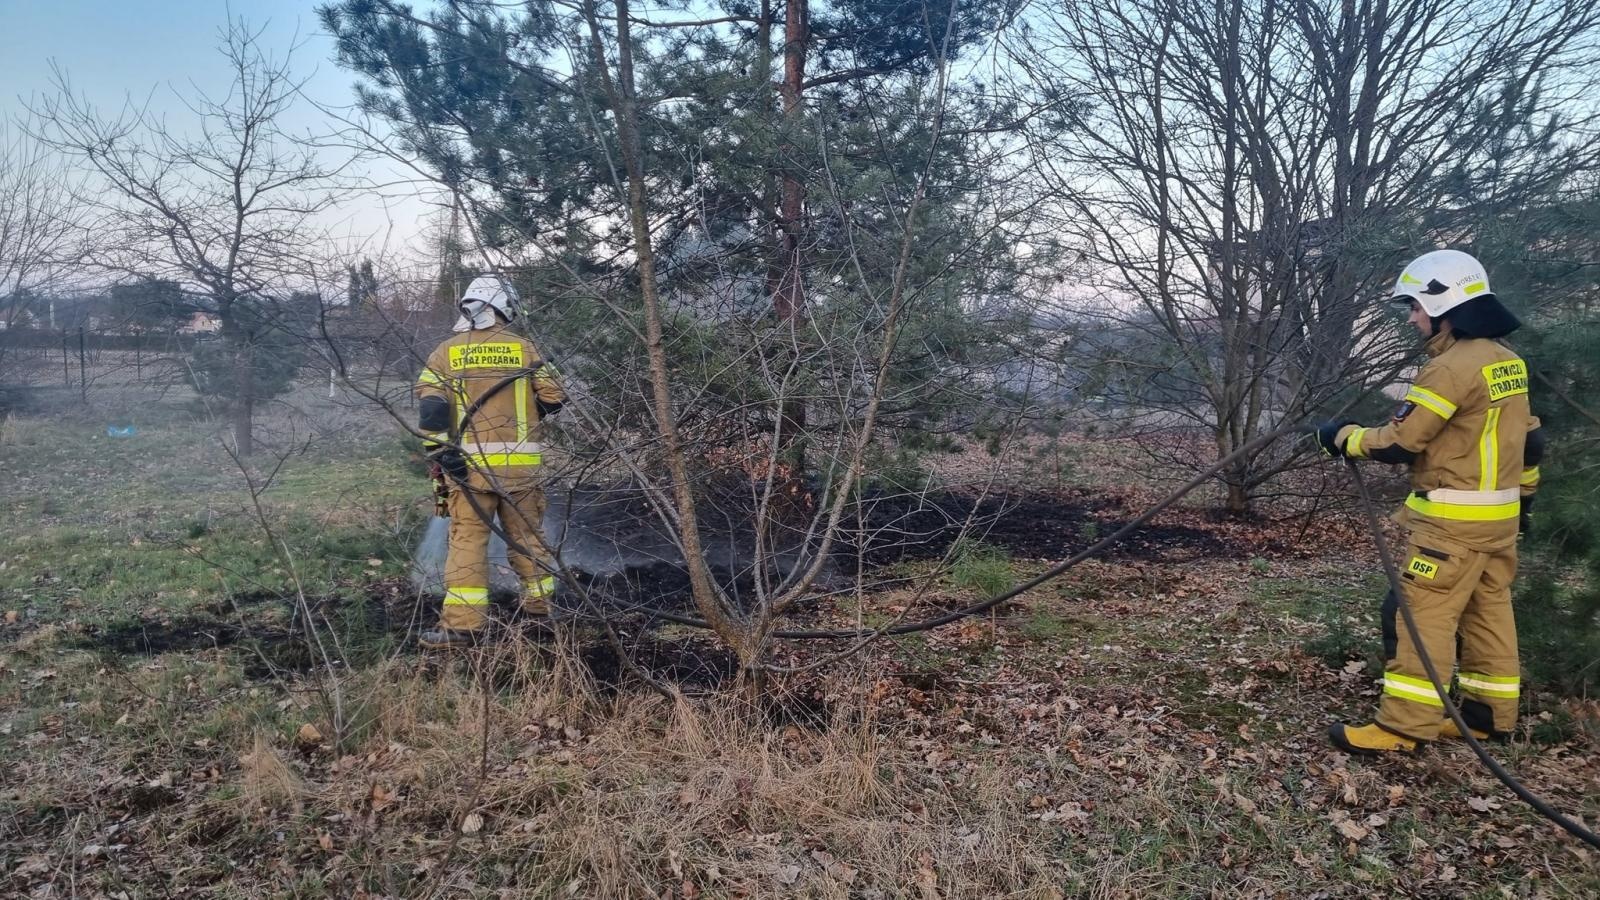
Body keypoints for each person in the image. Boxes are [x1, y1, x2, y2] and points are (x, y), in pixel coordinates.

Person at [1314, 249, 1544, 754]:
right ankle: (1487, 717)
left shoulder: (1450, 370)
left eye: (1415, 307)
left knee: (1420, 616)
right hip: (1498, 523)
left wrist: (1343, 436)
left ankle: (1403, 728)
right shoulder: (1508, 363)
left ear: (1446, 303)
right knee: (1488, 614)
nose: (1413, 318)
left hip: (1451, 526)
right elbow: (1531, 443)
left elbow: (1401, 441)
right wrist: (1523, 500)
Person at [414, 275, 568, 649]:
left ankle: (463, 627)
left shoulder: (445, 353)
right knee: (529, 538)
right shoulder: (524, 349)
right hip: (520, 469)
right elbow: (555, 396)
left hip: (469, 471)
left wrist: (442, 453)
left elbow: (432, 408)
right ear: (504, 308)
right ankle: (541, 613)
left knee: (468, 541)